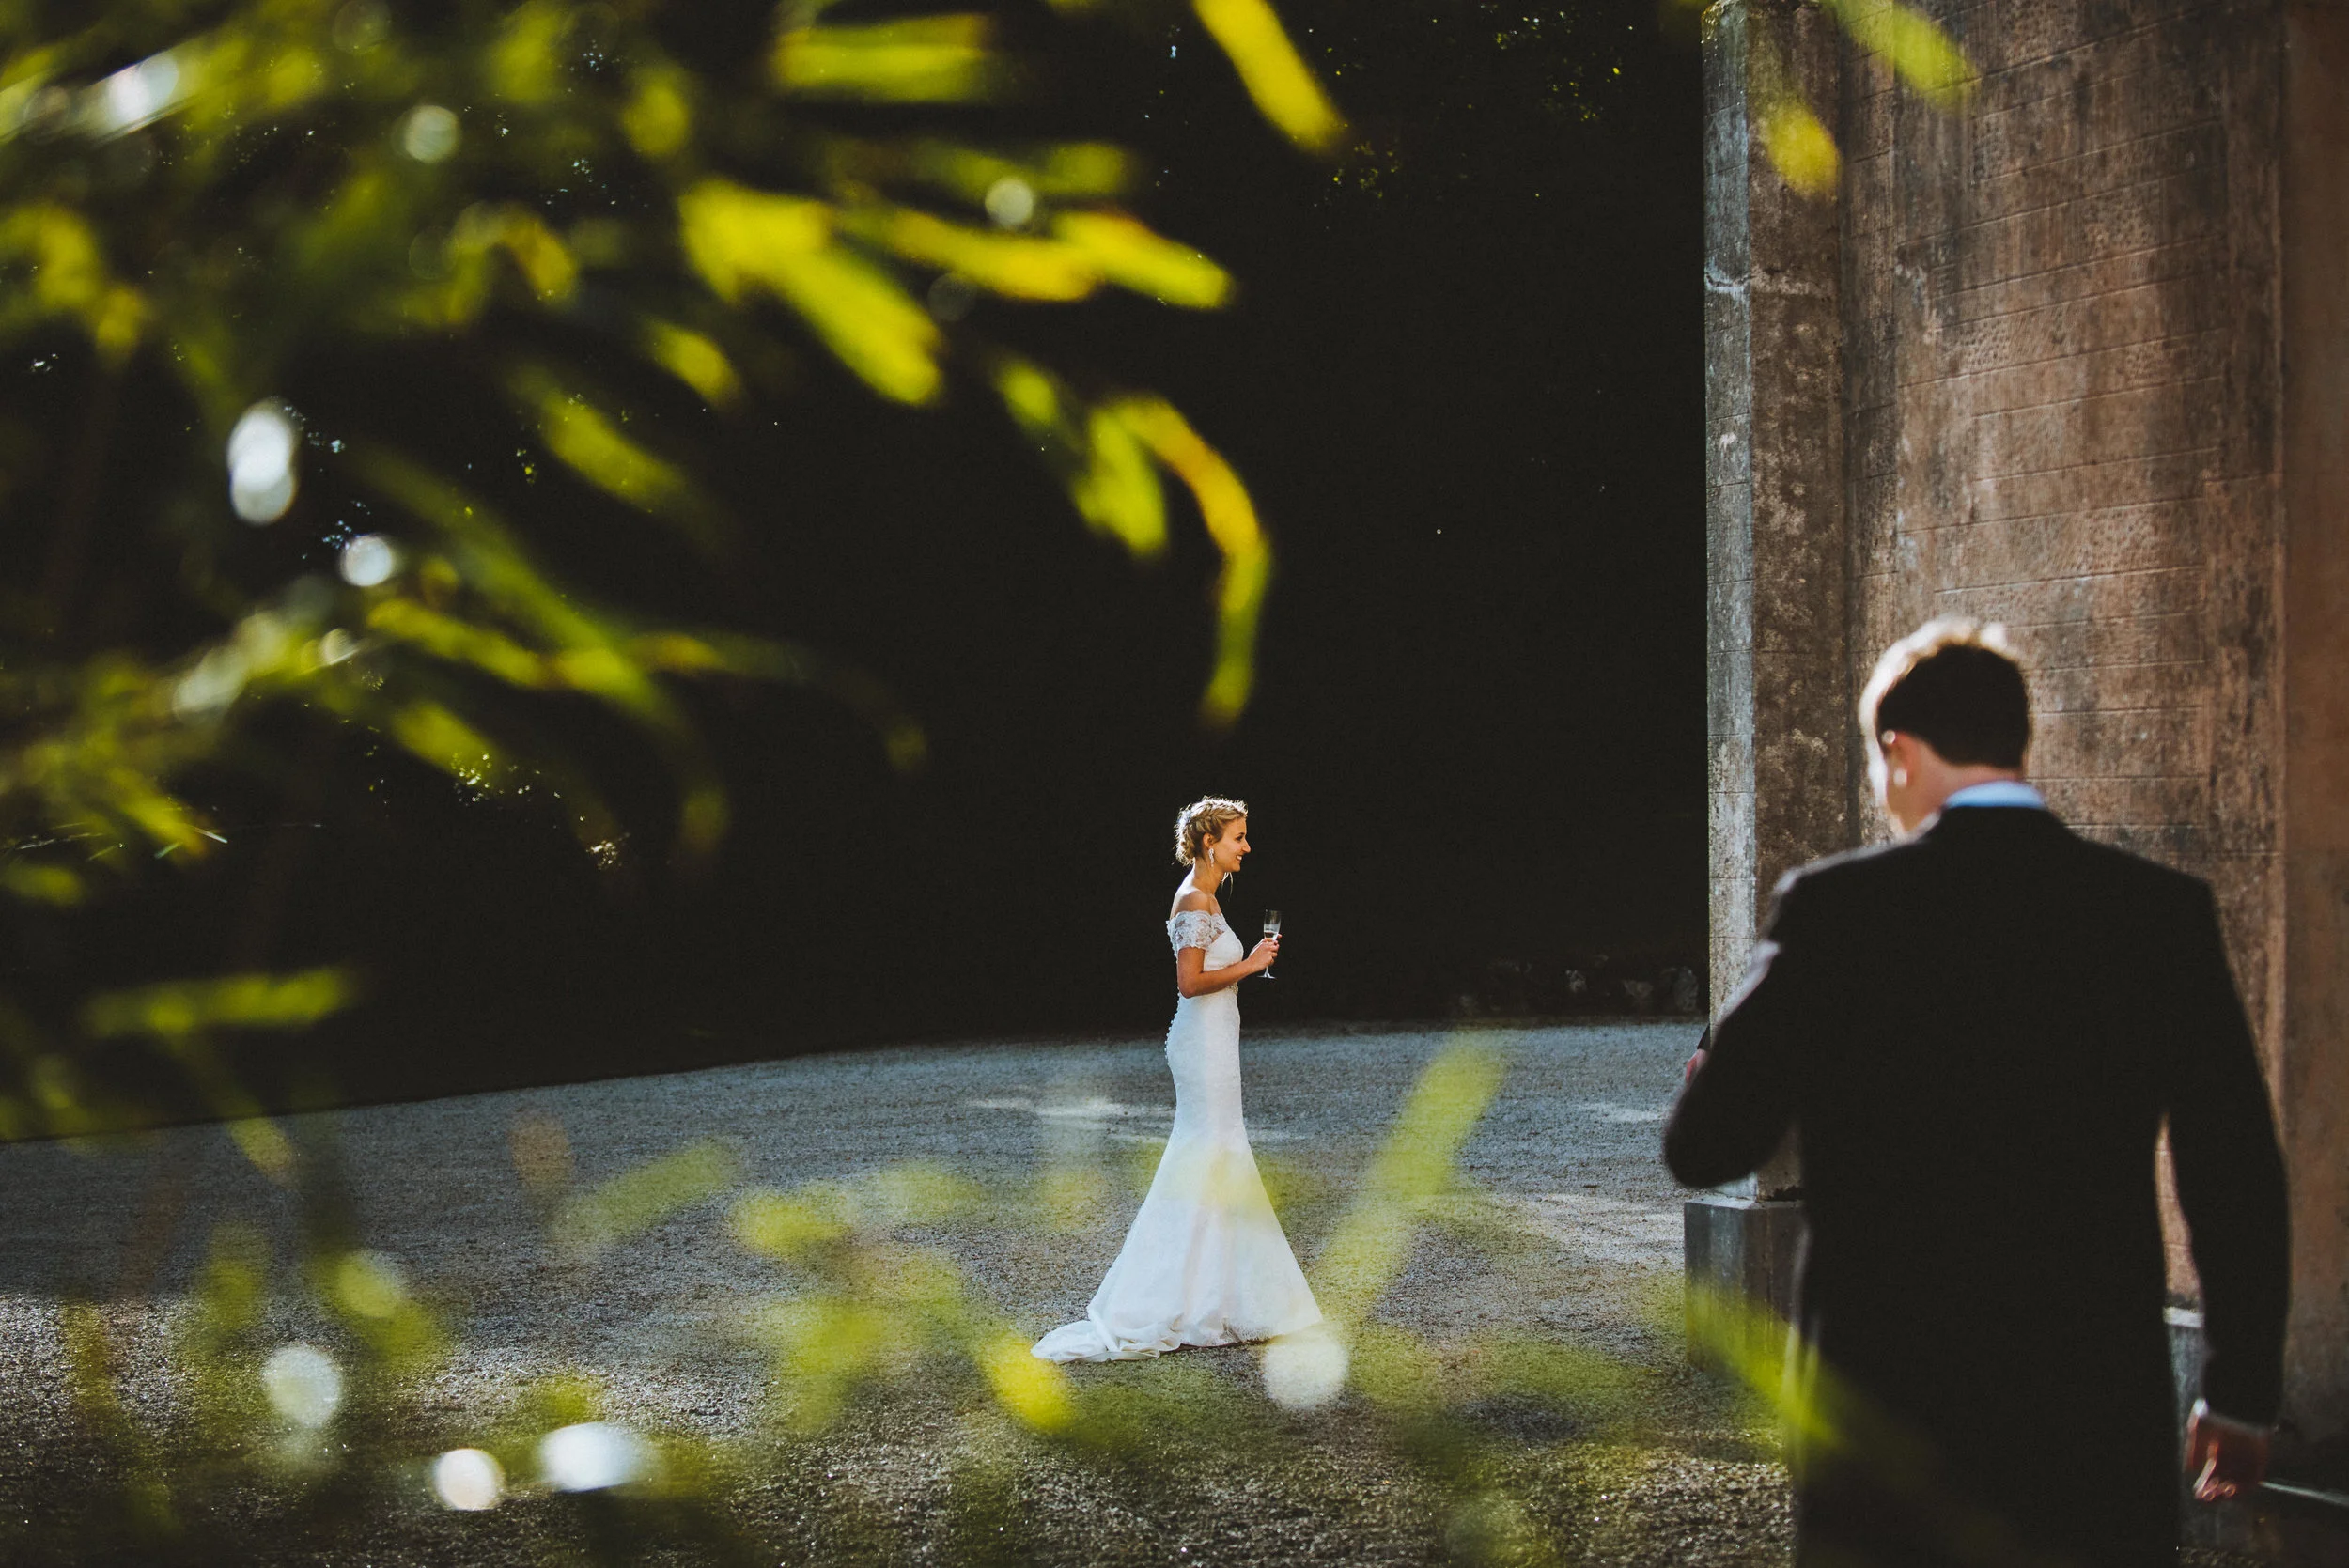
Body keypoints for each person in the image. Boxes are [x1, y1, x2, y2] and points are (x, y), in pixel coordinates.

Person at [1665, 619, 2290, 1567]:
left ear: (1900, 752)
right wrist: (2238, 1391)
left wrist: (1722, 1071)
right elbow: (2232, 1169)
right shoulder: (2155, 915)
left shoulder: (1836, 910)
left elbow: (1705, 1148)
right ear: (2014, 743)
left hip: (1882, 1410)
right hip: (2091, 1408)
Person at [1032, 797, 1322, 1362]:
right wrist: (1254, 963)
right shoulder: (1193, 898)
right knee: (1209, 1153)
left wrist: (1246, 964)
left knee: (1218, 1156)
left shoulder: (1207, 897)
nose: (1246, 846)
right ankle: (1173, 1299)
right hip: (1202, 1045)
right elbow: (1190, 983)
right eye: (1239, 837)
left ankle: (1225, 1298)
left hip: (1215, 1042)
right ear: (1211, 842)